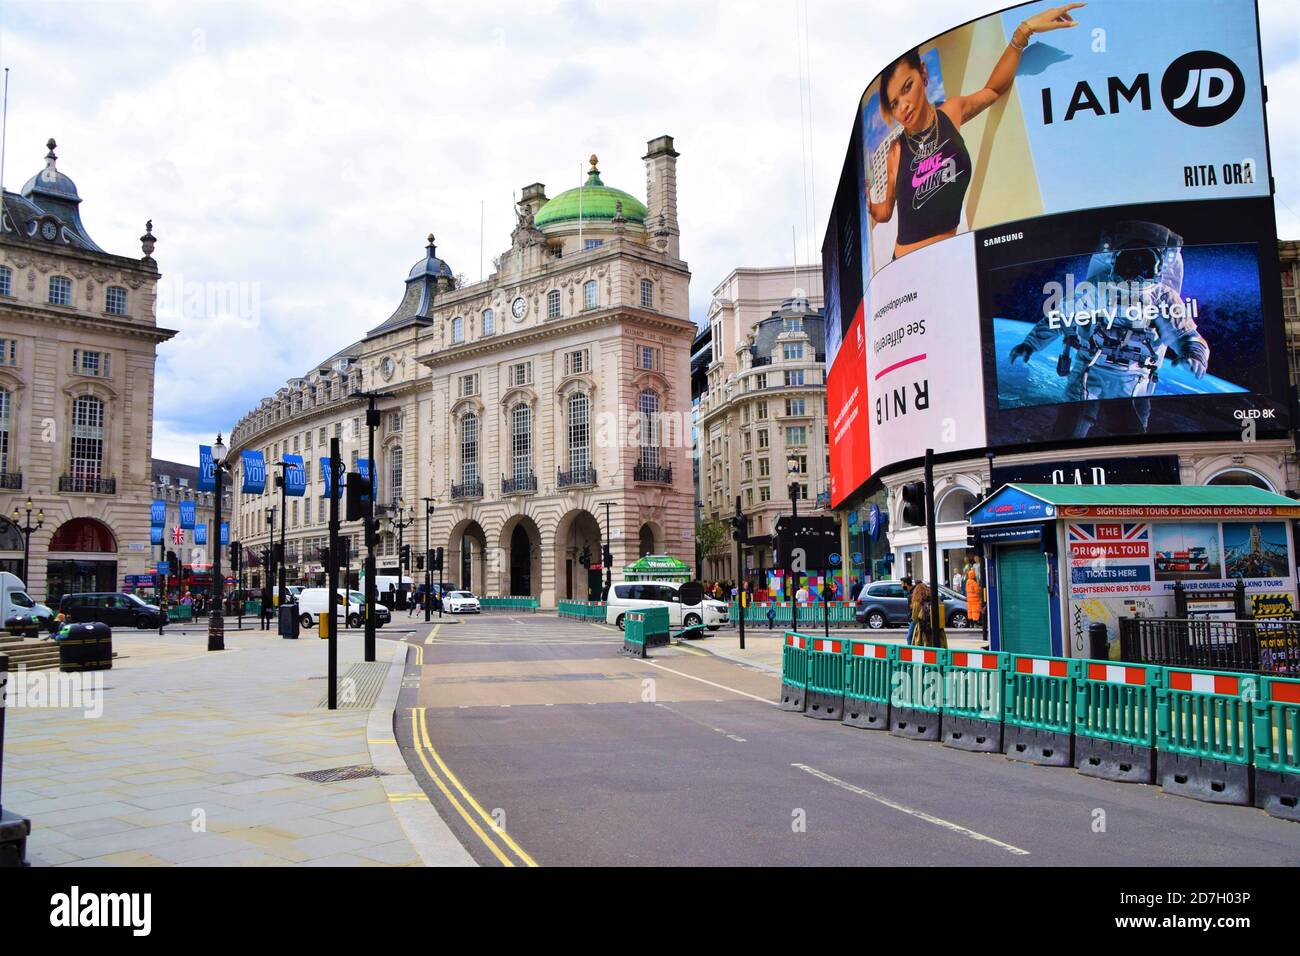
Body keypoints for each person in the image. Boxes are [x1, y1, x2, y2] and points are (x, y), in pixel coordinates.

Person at [867, 4, 1085, 261]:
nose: (903, 105)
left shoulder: (951, 112)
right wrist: (867, 205)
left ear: (923, 74)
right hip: (907, 266)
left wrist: (1022, 33)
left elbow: (994, 90)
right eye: (894, 103)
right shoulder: (897, 150)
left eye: (907, 87)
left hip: (950, 256)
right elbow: (886, 211)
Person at [966, 561, 983, 627]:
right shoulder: (973, 582)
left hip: (969, 599)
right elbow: (977, 591)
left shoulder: (968, 581)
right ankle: (975, 623)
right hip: (975, 600)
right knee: (975, 611)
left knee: (970, 611)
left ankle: (971, 624)